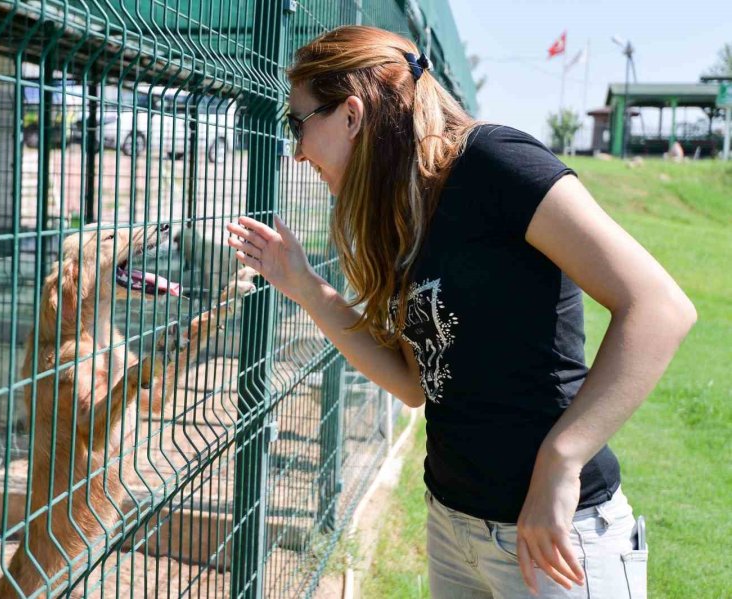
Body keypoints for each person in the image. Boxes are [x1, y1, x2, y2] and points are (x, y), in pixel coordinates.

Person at [226, 25, 695, 599]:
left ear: (351, 114)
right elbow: (412, 384)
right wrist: (305, 288)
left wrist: (561, 459)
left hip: (552, 535)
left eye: (297, 124)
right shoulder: (402, 208)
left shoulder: (495, 162)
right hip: (453, 526)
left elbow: (660, 308)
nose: (296, 152)